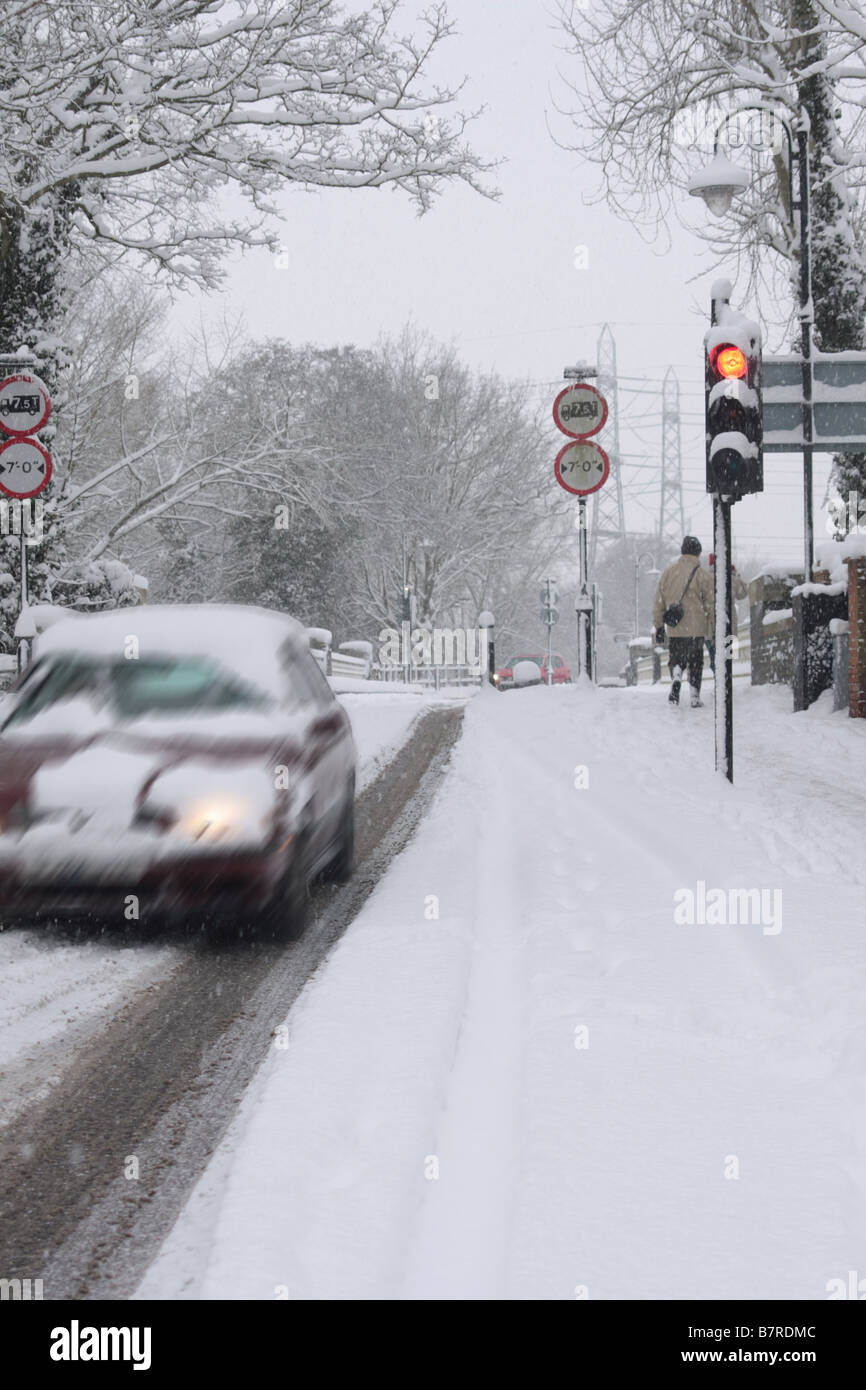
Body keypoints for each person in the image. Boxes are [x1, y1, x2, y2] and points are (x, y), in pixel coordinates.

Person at [652, 536, 714, 707]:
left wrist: (658, 626)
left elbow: (659, 601)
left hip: (676, 627)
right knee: (695, 661)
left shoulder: (669, 573)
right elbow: (711, 605)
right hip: (696, 628)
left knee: (676, 657)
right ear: (698, 553)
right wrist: (714, 628)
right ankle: (694, 696)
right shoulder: (703, 576)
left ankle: (677, 674)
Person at [705, 554, 748, 673]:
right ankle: (726, 681)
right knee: (729, 657)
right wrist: (735, 575)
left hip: (710, 627)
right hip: (730, 624)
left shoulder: (704, 578)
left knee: (714, 657)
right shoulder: (731, 578)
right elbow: (744, 593)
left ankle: (718, 679)